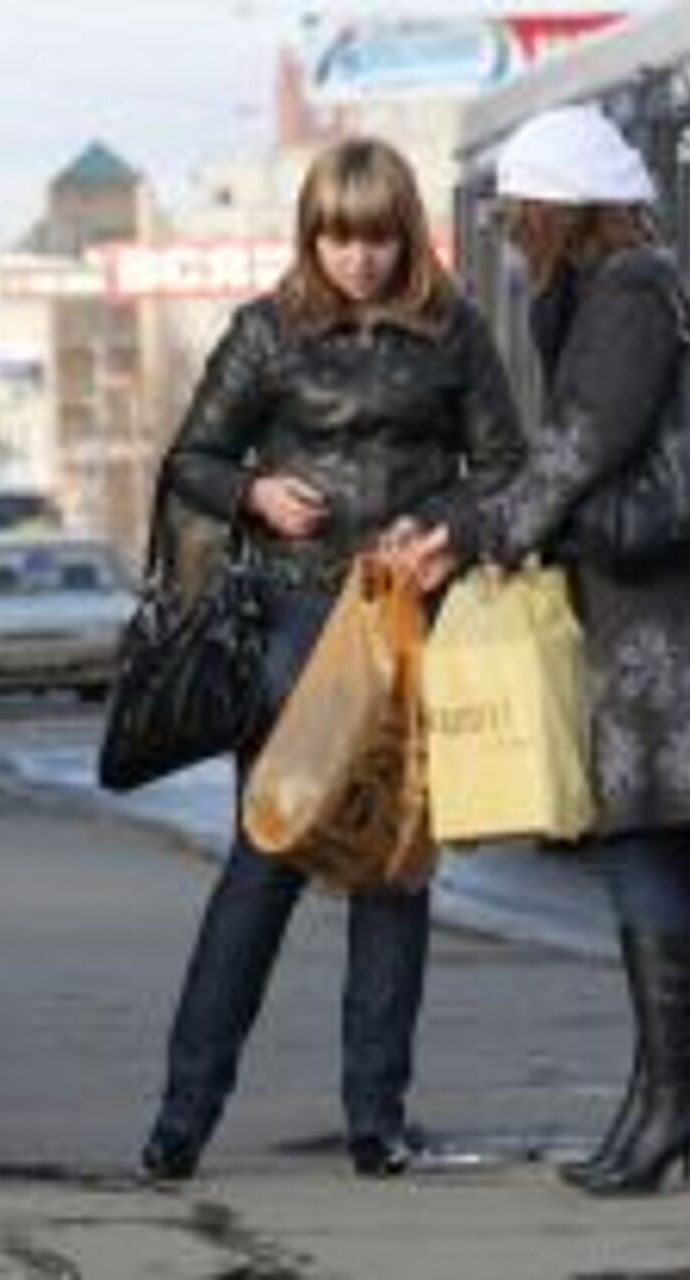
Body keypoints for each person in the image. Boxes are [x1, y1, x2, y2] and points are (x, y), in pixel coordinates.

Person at [139, 136, 526, 1182]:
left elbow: (503, 470)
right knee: (260, 865)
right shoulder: (264, 332)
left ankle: (376, 1119)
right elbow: (191, 460)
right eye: (336, 234)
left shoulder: (453, 332)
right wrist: (253, 492)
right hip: (290, 633)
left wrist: (439, 527)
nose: (356, 255)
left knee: (391, 871)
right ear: (310, 233)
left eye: (375, 235)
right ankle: (182, 1114)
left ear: (405, 233)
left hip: (407, 630)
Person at [404, 104, 690, 1196]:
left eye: (520, 207)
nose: (509, 226)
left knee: (644, 848)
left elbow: (576, 451)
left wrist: (468, 535)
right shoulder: (614, 288)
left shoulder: (624, 293)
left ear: (558, 207)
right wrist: (456, 518)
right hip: (639, 611)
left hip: (660, 622)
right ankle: (658, 1098)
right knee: (647, 850)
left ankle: (664, 1104)